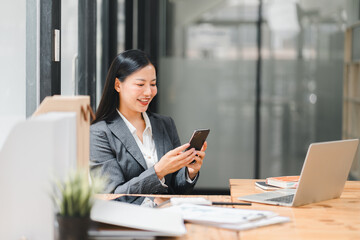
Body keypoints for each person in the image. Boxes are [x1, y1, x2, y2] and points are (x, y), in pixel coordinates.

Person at [90, 49, 207, 194]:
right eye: (140, 85)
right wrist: (158, 172)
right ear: (118, 85)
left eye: (153, 84)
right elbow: (112, 195)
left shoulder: (165, 124)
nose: (148, 92)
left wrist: (190, 172)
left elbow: (175, 187)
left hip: (166, 213)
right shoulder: (100, 133)